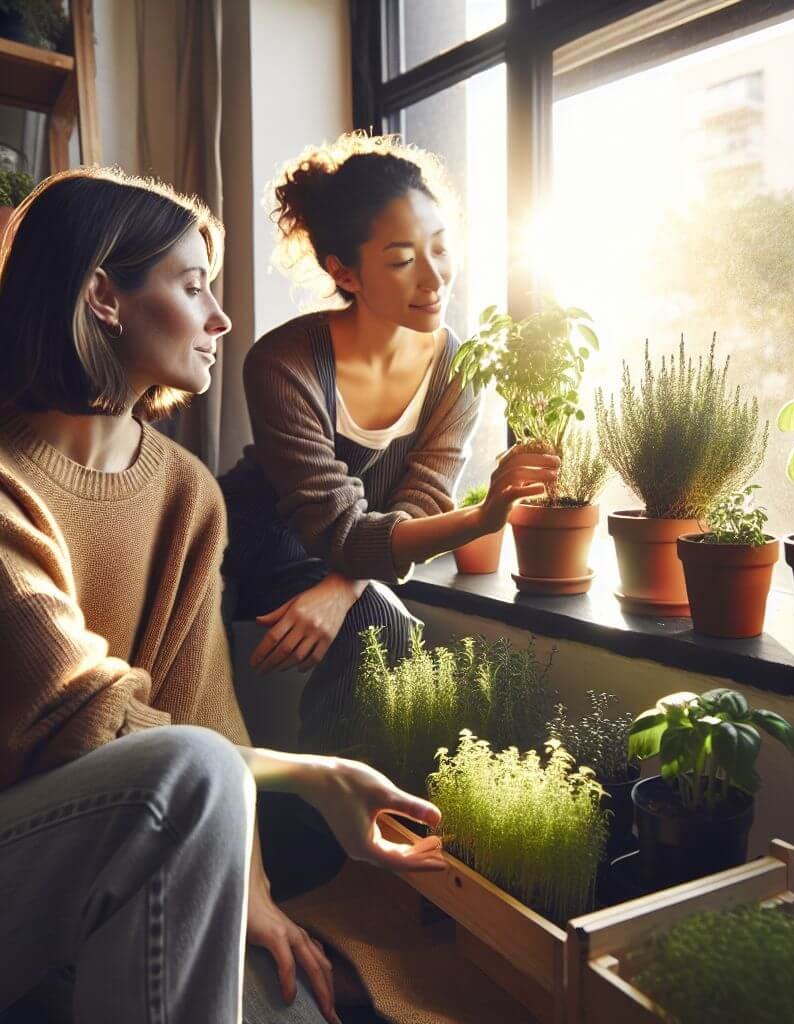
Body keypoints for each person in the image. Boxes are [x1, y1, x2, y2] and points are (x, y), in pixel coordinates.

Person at [0, 167, 446, 1024]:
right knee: (192, 772)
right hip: (26, 860)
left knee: (293, 1005)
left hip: (133, 836)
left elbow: (203, 714)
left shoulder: (185, 490)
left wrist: (257, 892)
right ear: (104, 295)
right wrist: (312, 775)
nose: (222, 319)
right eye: (193, 285)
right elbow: (79, 720)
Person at [220, 134, 558, 767]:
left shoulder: (458, 362)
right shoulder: (282, 361)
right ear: (343, 272)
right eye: (402, 259)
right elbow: (335, 524)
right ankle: (277, 836)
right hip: (246, 539)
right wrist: (480, 521)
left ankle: (325, 839)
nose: (434, 278)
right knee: (370, 629)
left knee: (391, 628)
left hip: (340, 556)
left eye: (440, 248)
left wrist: (343, 586)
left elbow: (421, 502)